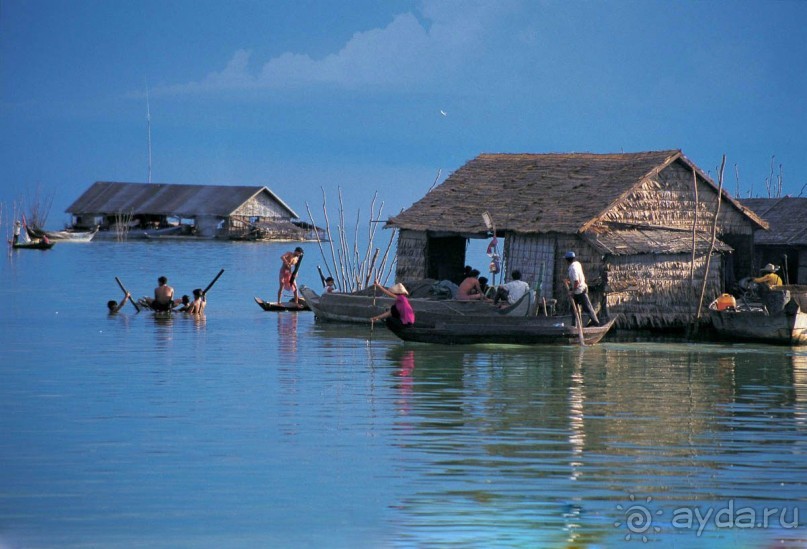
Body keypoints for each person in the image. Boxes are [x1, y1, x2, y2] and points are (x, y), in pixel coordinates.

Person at [565, 251, 600, 327]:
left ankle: (596, 323)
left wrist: (572, 292)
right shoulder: (577, 264)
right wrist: (569, 281)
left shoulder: (572, 268)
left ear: (567, 260)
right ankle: (575, 325)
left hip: (580, 291)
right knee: (574, 309)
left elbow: (576, 281)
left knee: (587, 308)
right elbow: (577, 278)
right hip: (580, 289)